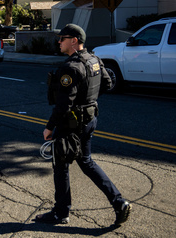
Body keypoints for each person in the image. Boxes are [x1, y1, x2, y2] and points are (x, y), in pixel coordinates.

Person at [35, 23, 131, 227]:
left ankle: (61, 212)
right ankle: (119, 202)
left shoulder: (70, 67)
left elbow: (63, 105)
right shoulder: (94, 60)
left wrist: (49, 127)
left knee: (61, 166)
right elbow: (107, 83)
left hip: (71, 124)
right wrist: (88, 102)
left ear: (74, 41)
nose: (59, 41)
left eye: (62, 38)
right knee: (86, 162)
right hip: (89, 120)